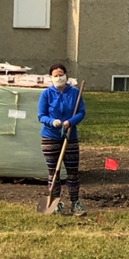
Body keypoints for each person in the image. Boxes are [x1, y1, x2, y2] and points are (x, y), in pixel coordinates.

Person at [37, 63, 86, 216]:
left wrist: (69, 122)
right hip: (50, 137)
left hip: (70, 136)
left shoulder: (75, 93)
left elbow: (81, 112)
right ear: (51, 77)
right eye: (55, 75)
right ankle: (55, 202)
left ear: (66, 75)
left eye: (61, 74)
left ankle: (75, 203)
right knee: (54, 172)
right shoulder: (46, 94)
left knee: (72, 171)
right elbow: (41, 115)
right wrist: (52, 122)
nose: (59, 77)